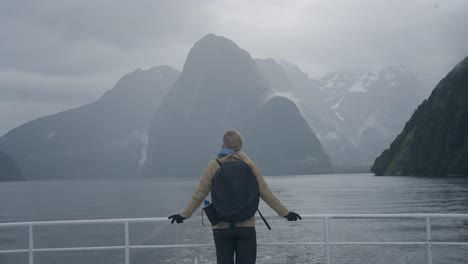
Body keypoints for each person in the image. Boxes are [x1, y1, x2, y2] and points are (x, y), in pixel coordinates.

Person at [168, 130, 301, 264]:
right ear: (240, 144)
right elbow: (266, 194)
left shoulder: (214, 165)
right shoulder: (249, 164)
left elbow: (200, 194)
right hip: (246, 225)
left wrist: (184, 214)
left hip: (221, 226)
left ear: (224, 144)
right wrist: (285, 213)